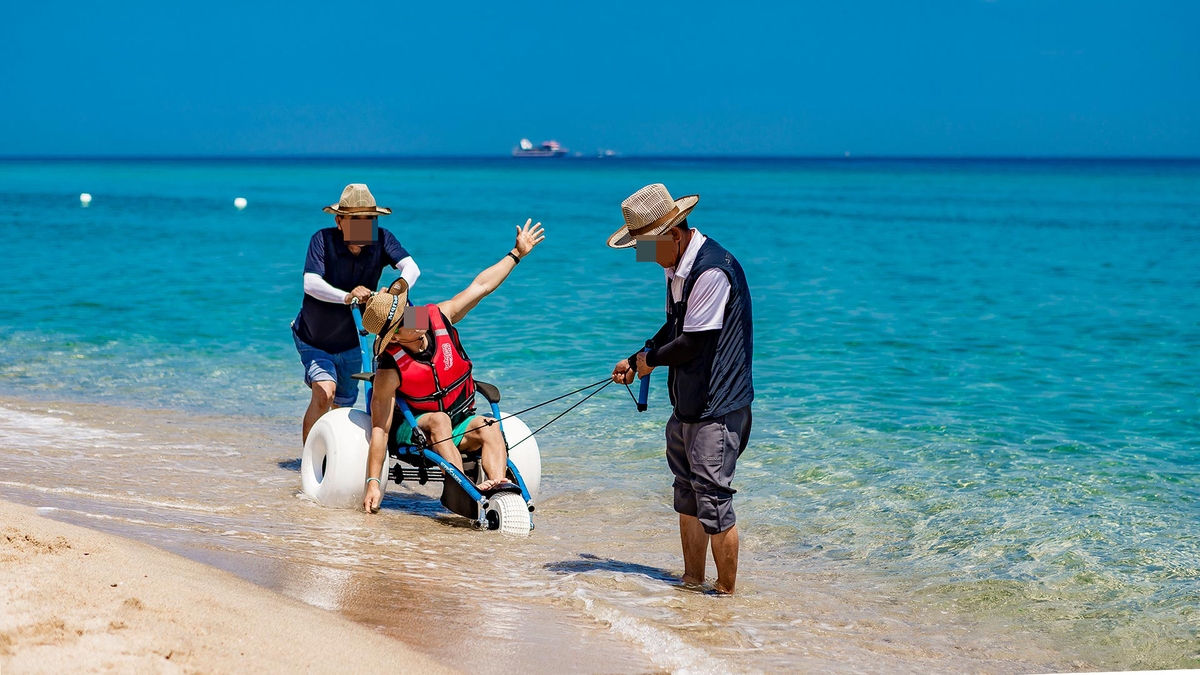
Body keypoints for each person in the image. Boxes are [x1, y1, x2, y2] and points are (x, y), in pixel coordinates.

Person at [609, 184, 753, 595]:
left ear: (673, 234)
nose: (650, 260)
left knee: (714, 500)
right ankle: (692, 582)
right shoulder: (677, 268)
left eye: (649, 248)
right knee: (687, 494)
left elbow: (696, 343)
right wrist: (640, 356)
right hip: (688, 403)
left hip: (717, 407)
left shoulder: (711, 271)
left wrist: (649, 362)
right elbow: (675, 329)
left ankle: (726, 597)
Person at [361, 219, 546, 513]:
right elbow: (381, 430)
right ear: (393, 336)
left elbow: (481, 287)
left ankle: (498, 492)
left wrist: (516, 254)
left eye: (409, 309)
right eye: (403, 321)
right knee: (438, 420)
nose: (414, 316)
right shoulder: (389, 368)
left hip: (456, 419)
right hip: (414, 428)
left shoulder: (430, 318)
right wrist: (372, 480)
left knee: (488, 426)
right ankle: (465, 490)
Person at [293, 183, 421, 444]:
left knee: (343, 409)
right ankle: (308, 463)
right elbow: (310, 283)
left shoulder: (382, 238)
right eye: (356, 220)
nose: (364, 226)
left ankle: (335, 463)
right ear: (339, 221)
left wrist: (396, 291)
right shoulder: (322, 240)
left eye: (369, 219)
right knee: (324, 394)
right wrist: (347, 296)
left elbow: (412, 269)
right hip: (314, 338)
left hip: (355, 341)